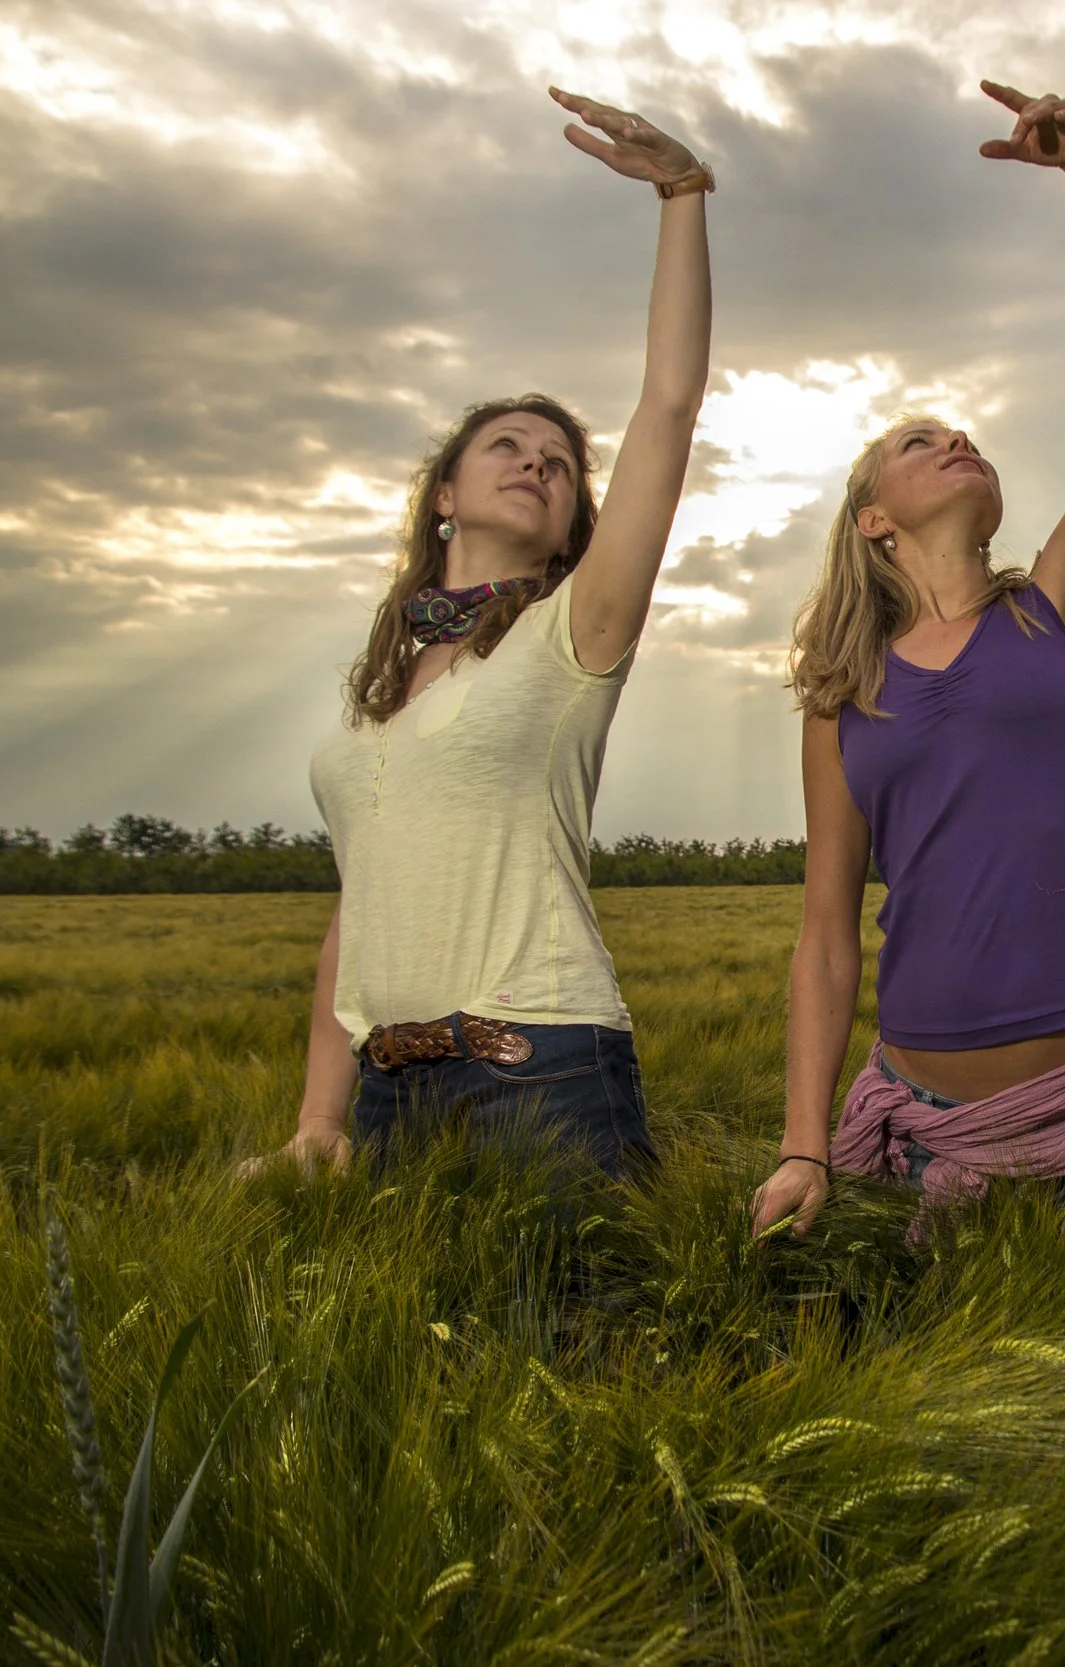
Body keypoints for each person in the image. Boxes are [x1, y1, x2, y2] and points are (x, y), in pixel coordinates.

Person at [750, 82, 1065, 1264]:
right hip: (932, 1134)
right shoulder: (842, 695)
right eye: (919, 439)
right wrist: (806, 1141)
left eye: (963, 431)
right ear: (871, 521)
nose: (954, 436)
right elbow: (823, 932)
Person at [245, 89, 711, 1182]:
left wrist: (682, 195)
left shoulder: (570, 634)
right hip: (386, 1092)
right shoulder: (377, 699)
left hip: (540, 1071)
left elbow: (670, 404)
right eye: (507, 444)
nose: (539, 463)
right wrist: (322, 1119)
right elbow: (356, 915)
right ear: (444, 494)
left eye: (559, 462)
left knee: (585, 1353)